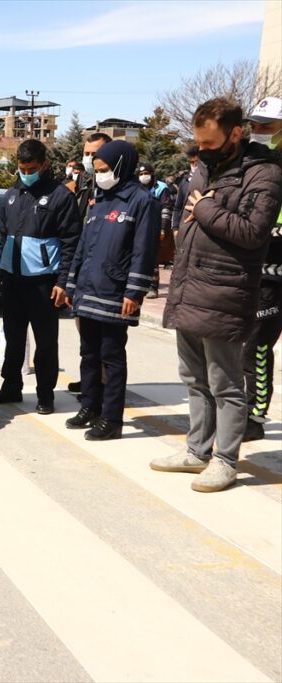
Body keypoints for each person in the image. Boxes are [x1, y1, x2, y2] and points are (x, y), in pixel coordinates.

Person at [152, 98, 282, 492]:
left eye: (209, 143)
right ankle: (197, 450)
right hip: (190, 285)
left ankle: (225, 460)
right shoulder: (204, 167)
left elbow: (251, 233)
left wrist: (206, 210)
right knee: (193, 377)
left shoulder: (266, 174)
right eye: (199, 143)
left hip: (226, 290)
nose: (201, 151)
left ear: (236, 133)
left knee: (225, 383)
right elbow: (187, 211)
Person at [63, 140, 159, 441]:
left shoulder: (143, 201)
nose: (99, 174)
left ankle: (111, 418)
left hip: (116, 292)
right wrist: (70, 282)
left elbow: (144, 250)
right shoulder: (98, 199)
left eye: (104, 169)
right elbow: (83, 244)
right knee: (88, 353)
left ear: (120, 167)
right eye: (97, 170)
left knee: (111, 357)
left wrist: (134, 292)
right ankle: (90, 406)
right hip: (88, 287)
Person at [0, 139, 81, 414]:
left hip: (44, 283)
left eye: (31, 168)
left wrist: (63, 282)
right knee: (13, 339)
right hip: (13, 281)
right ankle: (10, 386)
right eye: (21, 167)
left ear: (45, 165)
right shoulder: (12, 194)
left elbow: (71, 242)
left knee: (45, 343)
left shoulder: (60, 196)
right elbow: (4, 236)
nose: (26, 172)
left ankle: (45, 395)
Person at [241, 96, 282, 442]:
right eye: (255, 124)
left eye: (266, 126)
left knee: (256, 346)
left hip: (274, 277)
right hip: (246, 272)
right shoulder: (249, 163)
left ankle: (254, 415)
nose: (258, 131)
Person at [66, 132, 111, 395]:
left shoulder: (115, 187)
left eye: (95, 154)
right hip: (83, 266)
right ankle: (91, 379)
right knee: (85, 332)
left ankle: (105, 385)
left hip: (105, 271)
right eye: (86, 153)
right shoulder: (85, 184)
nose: (89, 159)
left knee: (106, 337)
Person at [136, 162, 174, 297]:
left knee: (152, 256)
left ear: (152, 174)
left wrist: (163, 228)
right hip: (139, 225)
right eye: (141, 174)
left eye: (146, 174)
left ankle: (152, 287)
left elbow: (166, 209)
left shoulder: (161, 188)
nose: (143, 176)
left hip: (154, 225)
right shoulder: (137, 187)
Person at [171, 146, 201, 233]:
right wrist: (175, 228)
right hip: (184, 227)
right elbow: (177, 207)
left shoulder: (210, 181)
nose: (195, 165)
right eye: (192, 162)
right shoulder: (184, 181)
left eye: (197, 162)